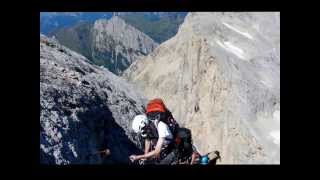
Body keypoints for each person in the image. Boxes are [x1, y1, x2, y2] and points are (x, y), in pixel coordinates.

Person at [130, 99, 179, 164]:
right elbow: (148, 139)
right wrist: (145, 156)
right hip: (164, 145)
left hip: (174, 148)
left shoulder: (161, 126)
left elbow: (156, 152)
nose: (142, 132)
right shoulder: (150, 125)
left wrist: (138, 157)